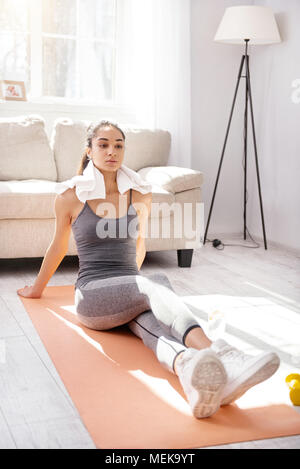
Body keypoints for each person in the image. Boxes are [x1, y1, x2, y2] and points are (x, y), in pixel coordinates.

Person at [17, 120, 280, 419]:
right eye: (103, 144)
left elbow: (139, 245)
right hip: (91, 296)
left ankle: (190, 371)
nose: (112, 151)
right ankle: (220, 352)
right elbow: (58, 246)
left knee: (151, 322)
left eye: (118, 145)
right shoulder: (69, 197)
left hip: (126, 292)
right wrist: (37, 289)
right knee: (153, 283)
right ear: (89, 151)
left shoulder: (139, 194)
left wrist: (138, 294)